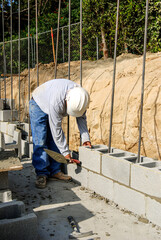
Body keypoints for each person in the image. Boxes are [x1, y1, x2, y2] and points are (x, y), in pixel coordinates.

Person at [29, 78, 91, 188]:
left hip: (51, 99)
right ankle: (41, 173)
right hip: (38, 103)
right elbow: (56, 129)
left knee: (53, 140)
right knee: (41, 139)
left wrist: (86, 139)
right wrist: (65, 152)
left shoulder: (81, 98)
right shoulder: (57, 102)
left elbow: (81, 119)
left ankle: (55, 171)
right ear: (66, 101)